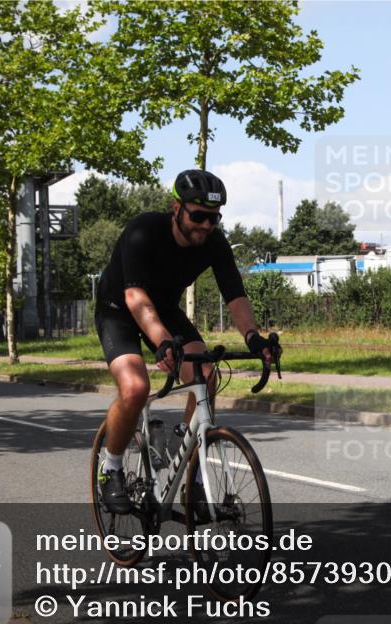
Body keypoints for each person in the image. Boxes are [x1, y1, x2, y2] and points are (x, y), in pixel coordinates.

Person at [94, 169, 275, 514]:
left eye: (214, 218)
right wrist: (163, 343)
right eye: (199, 216)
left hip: (165, 309)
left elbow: (235, 295)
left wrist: (253, 337)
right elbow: (134, 295)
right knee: (134, 387)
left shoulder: (214, 243)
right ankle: (112, 467)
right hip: (119, 309)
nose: (206, 226)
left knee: (205, 375)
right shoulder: (143, 230)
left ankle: (187, 470)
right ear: (176, 208)